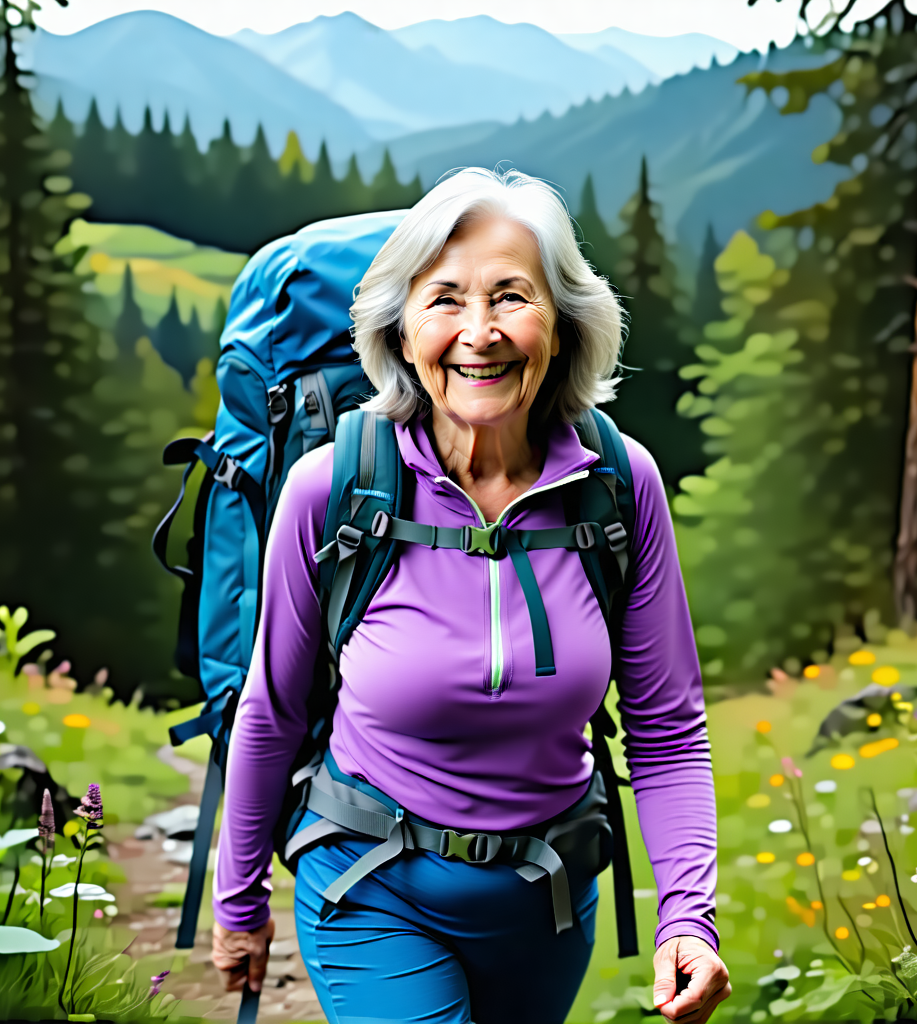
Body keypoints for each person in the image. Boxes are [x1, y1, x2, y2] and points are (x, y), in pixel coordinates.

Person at [210, 167, 730, 1024]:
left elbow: (666, 726)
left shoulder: (617, 485)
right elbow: (272, 709)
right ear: (401, 329)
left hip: (548, 902)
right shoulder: (332, 490)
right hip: (370, 887)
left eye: (511, 297)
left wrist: (688, 918)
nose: (478, 333)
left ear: (562, 324)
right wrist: (239, 903)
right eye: (445, 299)